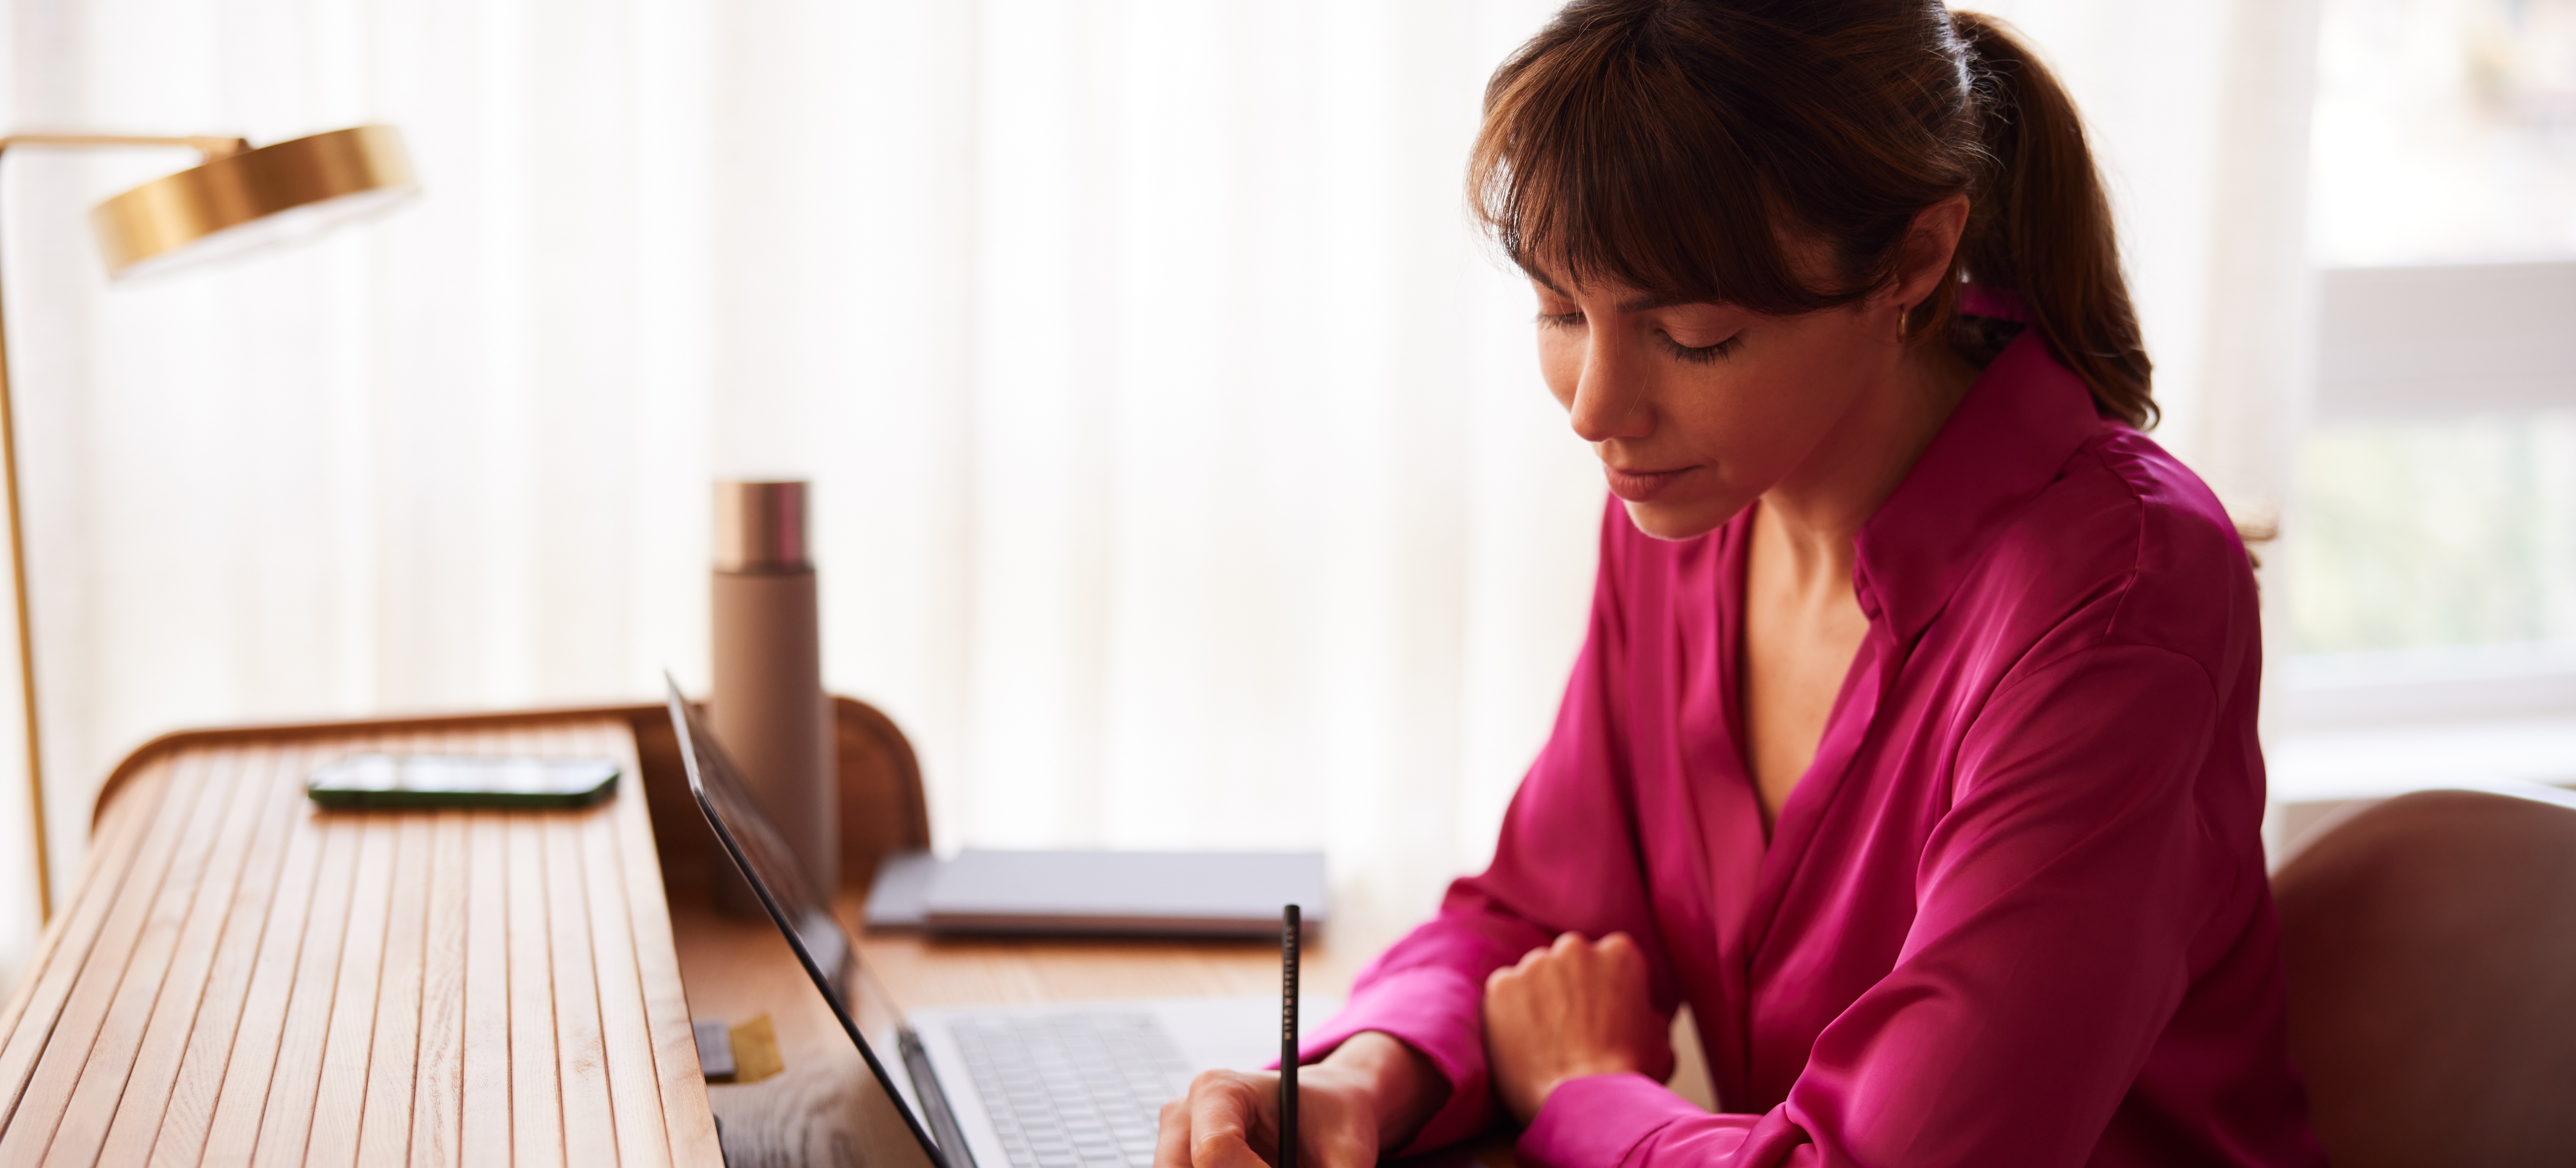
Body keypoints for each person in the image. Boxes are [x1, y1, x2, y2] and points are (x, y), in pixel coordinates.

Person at [1154, 1, 2325, 1165]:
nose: (1594, 409)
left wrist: (1584, 1092)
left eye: (1696, 334)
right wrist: (1365, 1074)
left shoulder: (2120, 599)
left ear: (1914, 259)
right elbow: (1544, 920)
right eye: (1560, 309)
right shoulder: (1693, 499)